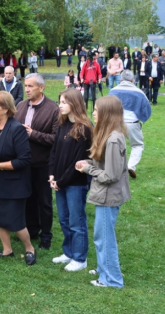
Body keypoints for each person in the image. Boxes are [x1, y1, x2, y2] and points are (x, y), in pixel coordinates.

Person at [75, 96, 130, 288]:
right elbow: (105, 164)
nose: (93, 113)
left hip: (108, 196)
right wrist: (89, 163)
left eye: (97, 110)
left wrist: (88, 169)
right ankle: (103, 268)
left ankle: (112, 280)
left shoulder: (114, 139)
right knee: (102, 235)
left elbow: (111, 175)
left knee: (104, 237)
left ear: (106, 114)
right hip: (106, 194)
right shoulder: (108, 135)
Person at [0, 92, 36, 265]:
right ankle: (7, 250)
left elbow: (24, 159)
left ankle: (29, 248)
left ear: (5, 109)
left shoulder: (16, 129)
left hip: (15, 183)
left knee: (16, 220)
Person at [49, 89, 93, 271]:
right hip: (59, 181)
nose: (60, 105)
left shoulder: (84, 129)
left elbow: (78, 162)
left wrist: (61, 181)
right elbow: (54, 152)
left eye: (64, 102)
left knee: (76, 221)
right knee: (64, 219)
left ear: (74, 104)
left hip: (75, 183)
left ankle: (80, 258)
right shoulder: (62, 124)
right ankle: (68, 253)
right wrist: (52, 175)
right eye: (60, 101)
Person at [15, 74, 59, 250]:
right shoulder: (20, 106)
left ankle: (46, 235)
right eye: (26, 86)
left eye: (31, 86)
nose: (27, 89)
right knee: (28, 199)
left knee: (44, 202)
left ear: (41, 88)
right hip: (24, 163)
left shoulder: (53, 109)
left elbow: (56, 139)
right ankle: (31, 230)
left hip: (43, 163)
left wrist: (33, 134)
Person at [109, 70, 151, 178]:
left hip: (116, 122)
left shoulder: (113, 91)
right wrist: (142, 118)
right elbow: (146, 108)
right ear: (132, 80)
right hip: (132, 123)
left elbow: (107, 107)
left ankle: (116, 168)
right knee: (137, 145)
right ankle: (131, 166)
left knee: (116, 145)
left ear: (121, 79)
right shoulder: (139, 92)